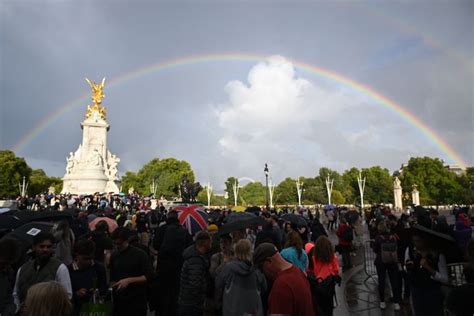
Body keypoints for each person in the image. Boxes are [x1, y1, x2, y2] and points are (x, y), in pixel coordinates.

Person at [13, 232, 72, 313]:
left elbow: (67, 295)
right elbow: (16, 293)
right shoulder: (23, 268)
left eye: (48, 247)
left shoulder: (60, 268)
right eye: (41, 246)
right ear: (34, 247)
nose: (45, 249)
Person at [253, 243, 315, 316]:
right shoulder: (298, 272)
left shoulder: (281, 286)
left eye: (262, 269)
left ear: (269, 261)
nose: (264, 274)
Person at [153, 211, 192, 316]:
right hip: (178, 265)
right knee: (175, 292)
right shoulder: (184, 230)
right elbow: (189, 246)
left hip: (163, 265)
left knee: (163, 291)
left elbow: (155, 245)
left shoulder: (161, 229)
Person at [215, 239, 267, 316]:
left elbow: (218, 285)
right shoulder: (256, 270)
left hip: (231, 310)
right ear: (250, 251)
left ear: (236, 251)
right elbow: (264, 289)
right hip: (253, 311)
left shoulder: (229, 268)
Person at [109, 227, 154, 316]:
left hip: (136, 300)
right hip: (119, 301)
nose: (117, 246)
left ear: (127, 240)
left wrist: (129, 280)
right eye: (115, 244)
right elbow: (113, 276)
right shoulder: (114, 255)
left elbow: (149, 276)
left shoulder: (140, 255)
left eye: (120, 244)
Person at [405, 230, 449, 316]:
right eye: (414, 241)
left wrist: (428, 268)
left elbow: (445, 278)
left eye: (418, 241)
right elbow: (406, 266)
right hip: (416, 289)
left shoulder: (438, 255)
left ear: (425, 241)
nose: (415, 244)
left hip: (432, 291)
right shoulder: (410, 251)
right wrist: (409, 267)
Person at [68, 239, 107, 316]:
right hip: (76, 309)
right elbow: (65, 293)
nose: (88, 261)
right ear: (77, 255)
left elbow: (104, 286)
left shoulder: (99, 268)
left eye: (90, 258)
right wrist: (76, 294)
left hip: (95, 309)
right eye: (85, 259)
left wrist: (98, 291)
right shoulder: (68, 270)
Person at [178, 231, 212, 316]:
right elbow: (195, 284)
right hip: (192, 304)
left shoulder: (194, 255)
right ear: (205, 242)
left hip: (187, 301)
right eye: (210, 241)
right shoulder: (196, 260)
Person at [372, 222, 401, 310]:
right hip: (392, 261)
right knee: (394, 281)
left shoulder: (378, 238)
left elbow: (375, 249)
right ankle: (396, 303)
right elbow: (397, 247)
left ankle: (382, 302)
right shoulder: (393, 237)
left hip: (381, 261)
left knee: (381, 281)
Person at [0, 238, 20, 316]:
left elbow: (9, 300)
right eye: (3, 263)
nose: (5, 268)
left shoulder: (6, 275)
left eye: (8, 264)